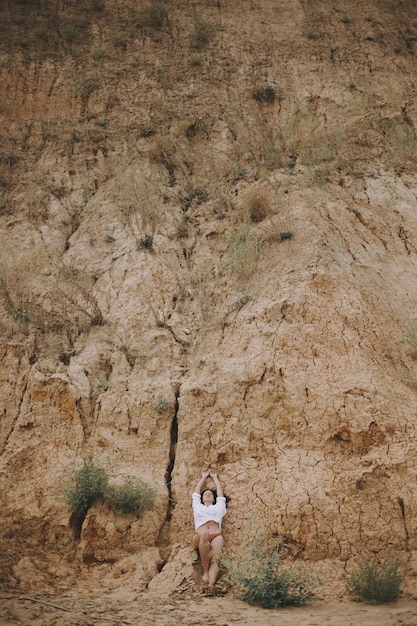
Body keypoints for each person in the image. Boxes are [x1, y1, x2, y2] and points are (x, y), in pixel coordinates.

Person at [192, 468, 226, 588]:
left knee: (215, 560)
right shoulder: (197, 506)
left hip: (216, 535)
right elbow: (196, 492)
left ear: (213, 498)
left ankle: (211, 586)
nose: (207, 494)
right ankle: (205, 571)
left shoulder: (218, 507)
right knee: (204, 533)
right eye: (205, 494)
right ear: (202, 498)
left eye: (210, 494)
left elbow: (220, 492)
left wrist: (215, 478)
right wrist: (204, 477)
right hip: (200, 536)